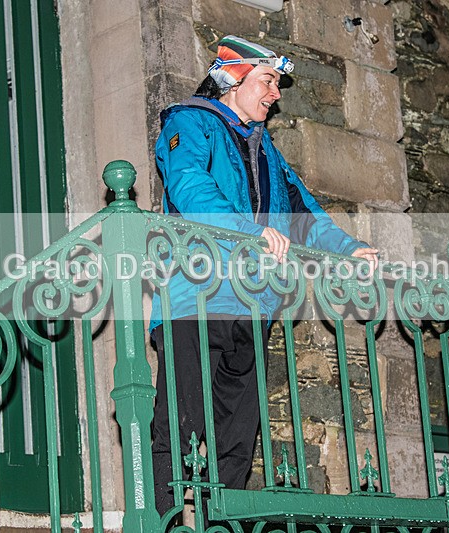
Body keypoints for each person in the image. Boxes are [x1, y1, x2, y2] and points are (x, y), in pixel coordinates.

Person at [149, 35, 379, 518]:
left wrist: (350, 248)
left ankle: (223, 521)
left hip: (255, 303)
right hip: (197, 296)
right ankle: (165, 520)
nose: (276, 93)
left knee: (238, 432)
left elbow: (304, 213)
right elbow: (191, 188)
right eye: (269, 80)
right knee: (181, 421)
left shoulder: (267, 149)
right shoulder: (188, 123)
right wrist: (248, 232)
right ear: (231, 78)